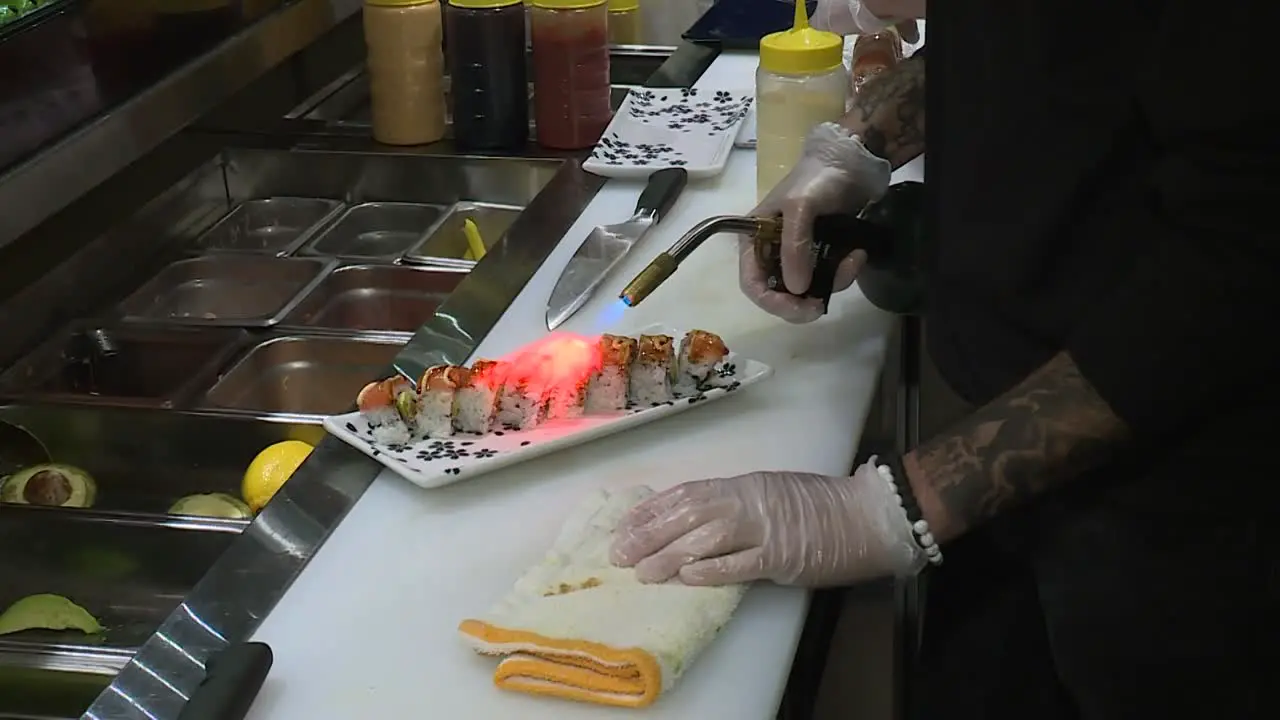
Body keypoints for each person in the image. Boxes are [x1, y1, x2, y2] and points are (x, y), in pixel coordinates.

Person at [610, 1, 1279, 718]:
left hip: (1182, 526)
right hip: (1007, 476)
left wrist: (894, 510)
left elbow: (1237, 267)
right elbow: (1042, 43)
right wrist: (859, 145)